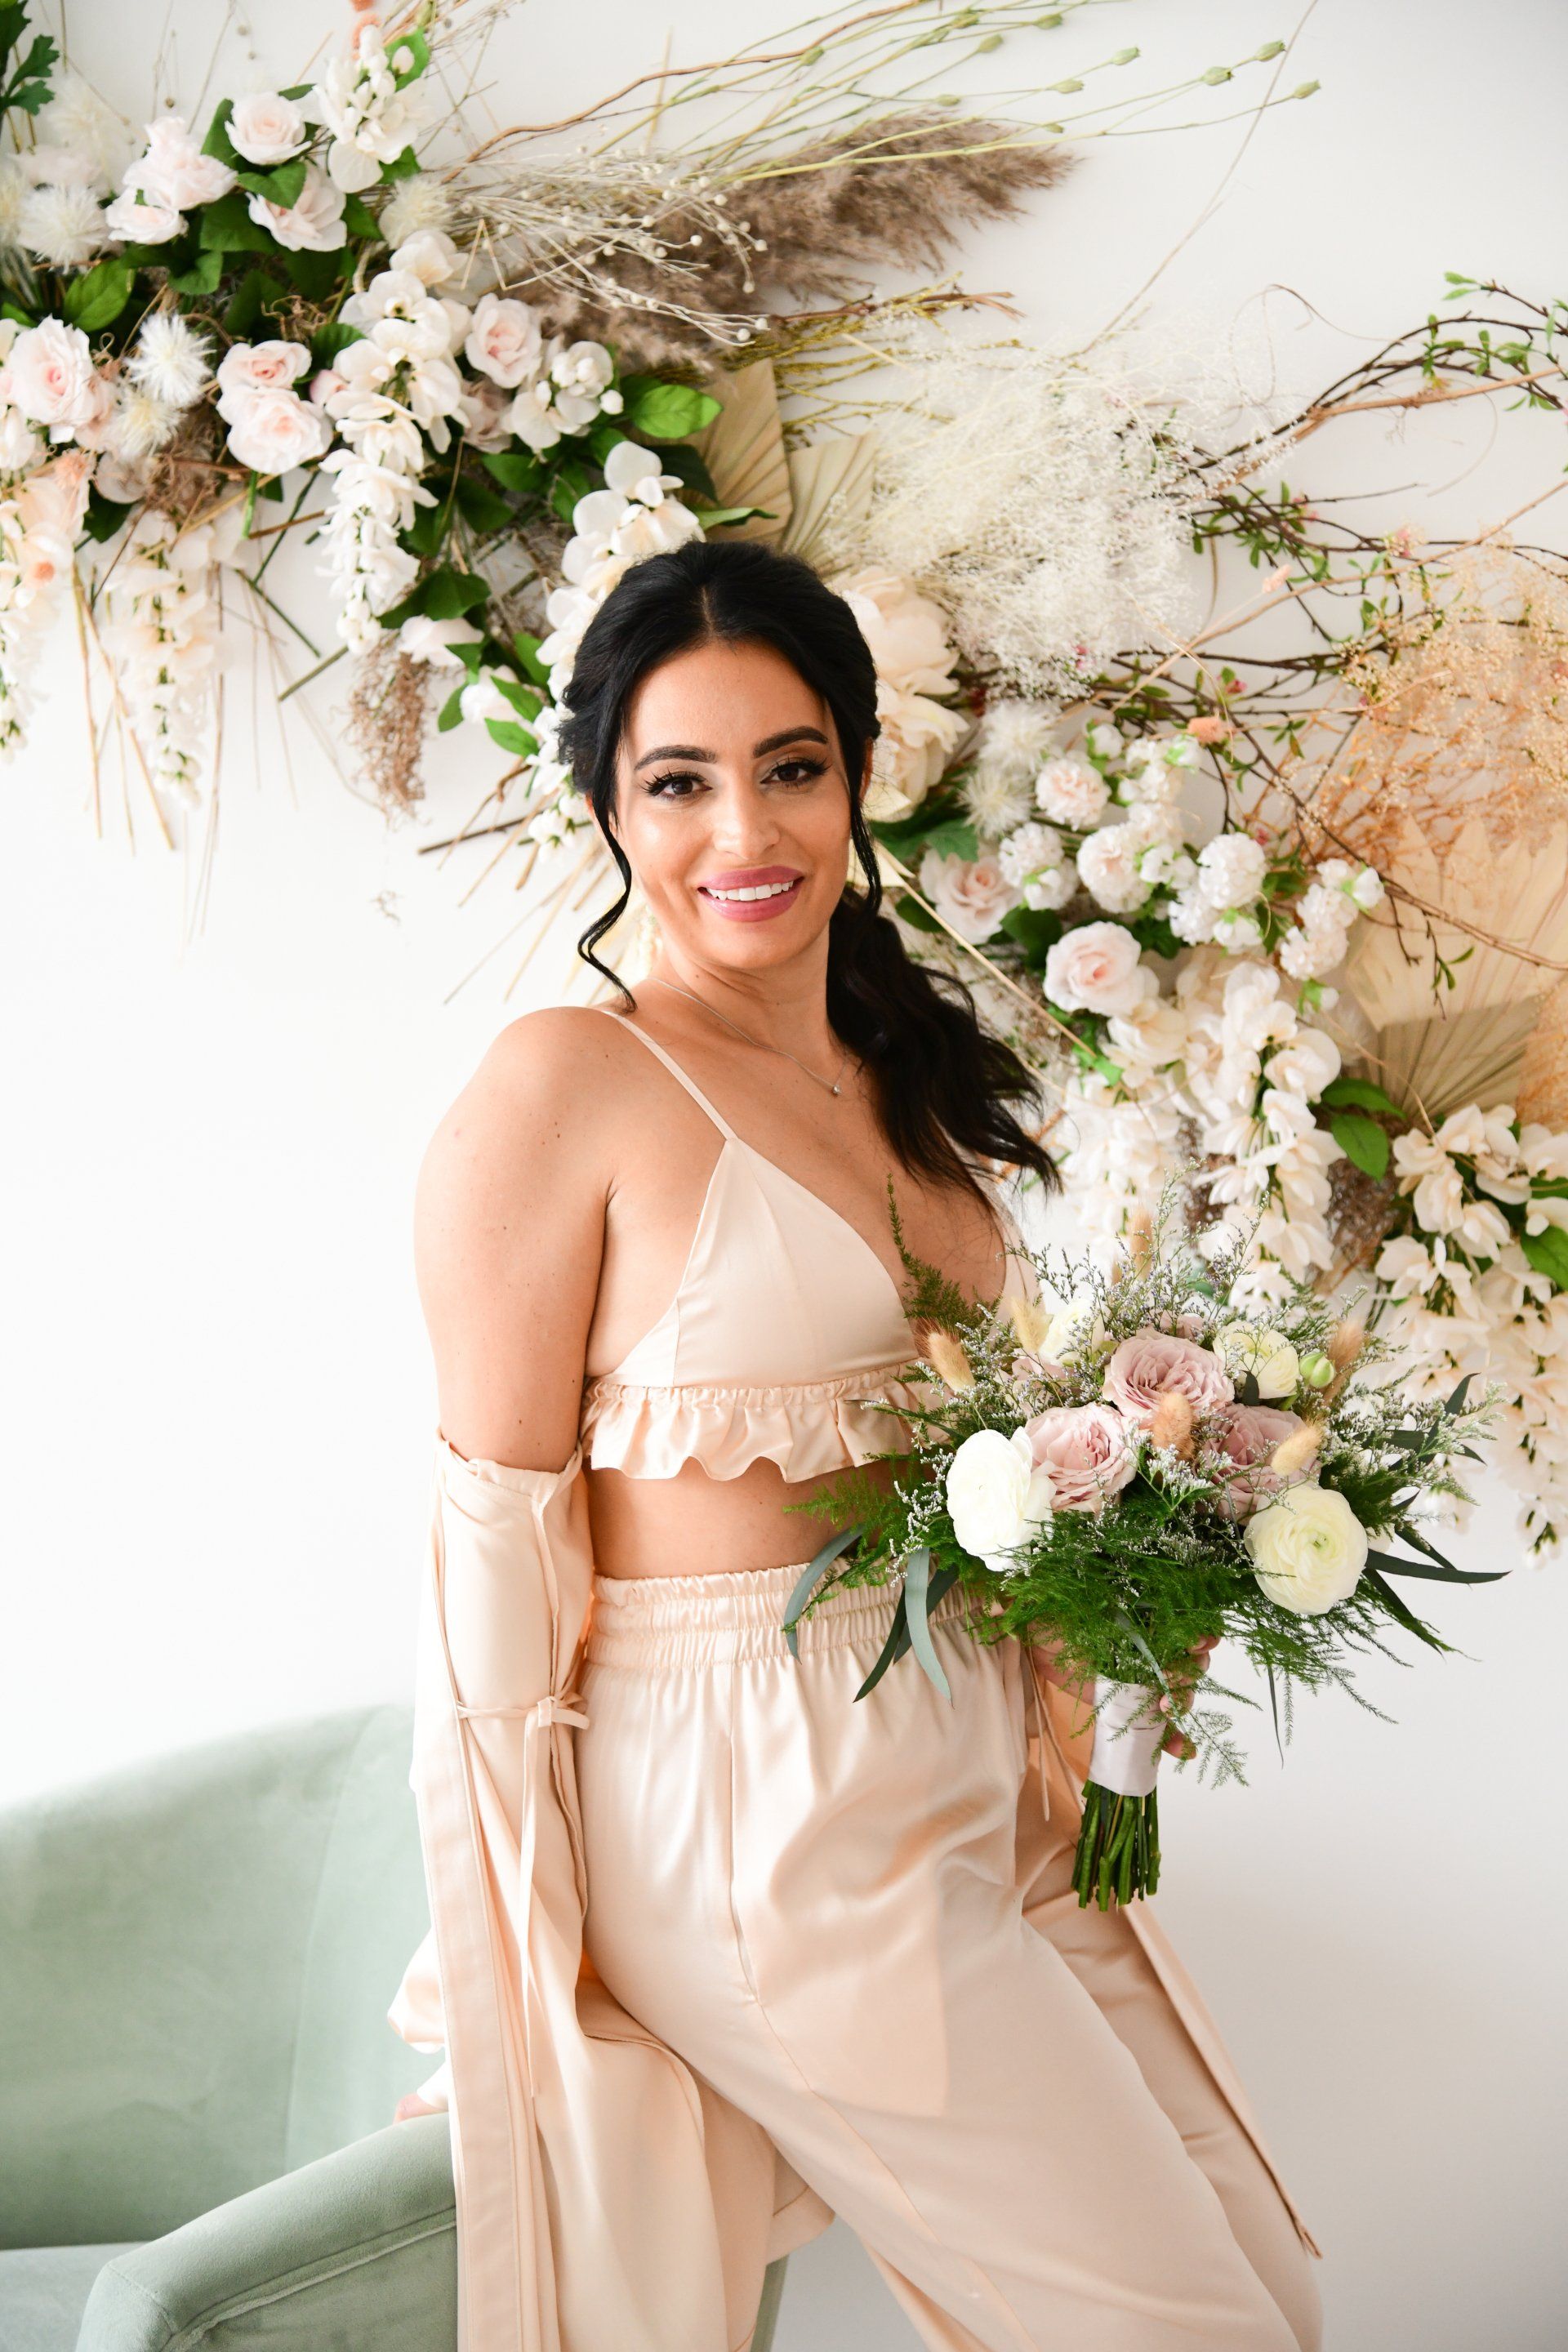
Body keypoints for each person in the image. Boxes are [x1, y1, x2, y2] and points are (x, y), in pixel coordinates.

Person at [387, 537, 1324, 2352]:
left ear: (860, 774)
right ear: (605, 806)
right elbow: (485, 1564)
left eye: (792, 766)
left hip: (975, 1772)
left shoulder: (909, 1089)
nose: (746, 830)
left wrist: (1132, 1619)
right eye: (680, 781)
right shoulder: (558, 1091)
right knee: (1181, 2330)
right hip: (763, 1812)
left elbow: (982, 1491)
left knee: (1257, 2272)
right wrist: (499, 1953)